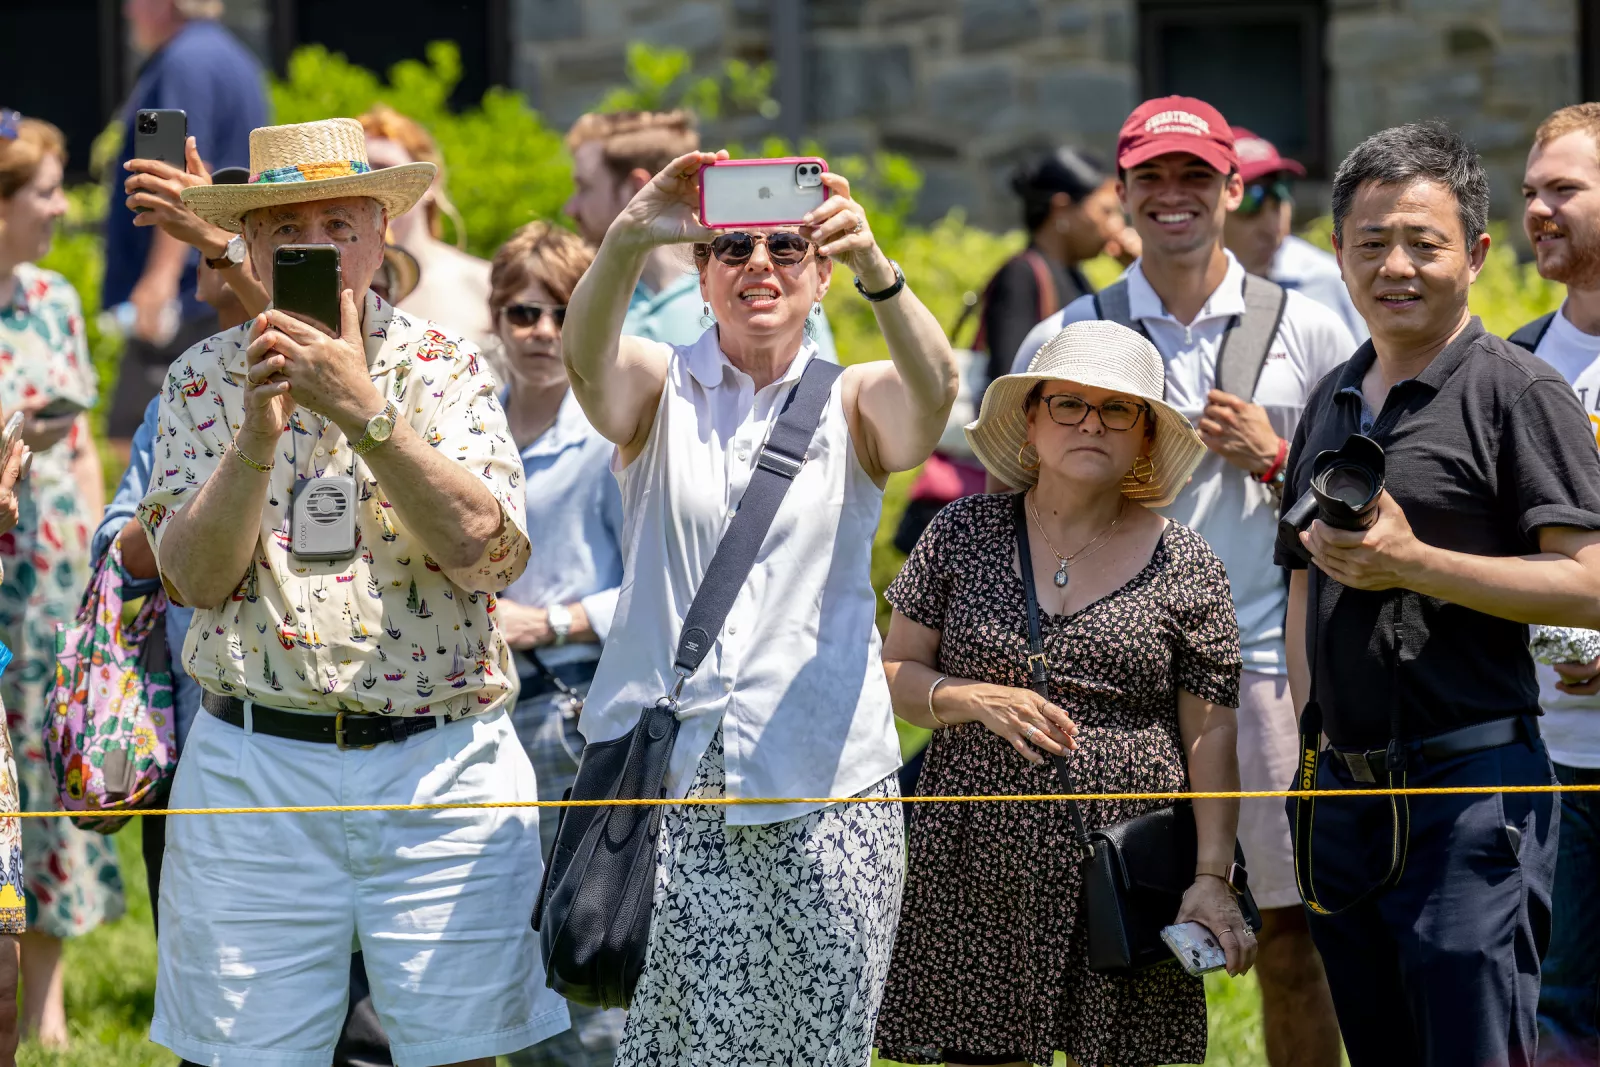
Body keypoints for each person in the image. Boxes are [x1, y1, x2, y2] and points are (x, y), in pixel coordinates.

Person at [138, 117, 568, 1065]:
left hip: (439, 765)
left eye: (343, 222)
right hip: (255, 765)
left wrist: (367, 414)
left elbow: (487, 556)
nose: (321, 247)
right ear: (249, 244)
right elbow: (195, 580)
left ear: (382, 235)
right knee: (240, 1055)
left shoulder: (445, 369)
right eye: (293, 227)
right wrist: (257, 434)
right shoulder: (206, 381)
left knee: (455, 1051)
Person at [562, 147, 956, 1064]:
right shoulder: (660, 386)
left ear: (820, 274)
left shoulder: (854, 398)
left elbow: (932, 398)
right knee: (678, 1050)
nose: (759, 266)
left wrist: (879, 270)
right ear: (701, 273)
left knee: (822, 1048)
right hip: (676, 785)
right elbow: (586, 365)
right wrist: (627, 236)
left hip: (828, 782)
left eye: (788, 244)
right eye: (732, 247)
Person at [1009, 95, 1350, 1067]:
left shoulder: (1313, 328)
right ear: (1119, 192)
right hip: (1109, 678)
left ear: (1231, 186)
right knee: (1101, 932)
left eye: (1194, 175)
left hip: (1265, 674)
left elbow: (1352, 505)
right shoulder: (1073, 331)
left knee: (1289, 936)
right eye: (1150, 178)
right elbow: (1024, 506)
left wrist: (1276, 457)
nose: (1173, 196)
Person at [1278, 120, 1600, 1067]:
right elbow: (1302, 585)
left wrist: (1417, 564)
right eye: (1372, 243)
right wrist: (1313, 749)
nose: (1397, 266)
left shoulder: (1520, 392)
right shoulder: (1333, 399)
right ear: (1337, 252)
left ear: (1478, 254)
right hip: (1342, 799)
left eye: (1425, 242)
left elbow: (1589, 585)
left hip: (1472, 798)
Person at [875, 320, 1254, 1066]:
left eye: (1118, 409)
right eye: (1069, 403)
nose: (1091, 421)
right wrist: (970, 696)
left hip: (1123, 870)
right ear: (1032, 418)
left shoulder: (1189, 564)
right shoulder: (961, 532)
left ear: (1144, 436)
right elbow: (893, 675)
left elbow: (1212, 736)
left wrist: (1213, 877)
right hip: (977, 863)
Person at [482, 221, 627, 1067]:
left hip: (571, 703)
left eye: (562, 313)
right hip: (475, 707)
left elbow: (660, 584)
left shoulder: (609, 431)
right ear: (496, 317)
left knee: (582, 945)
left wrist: (555, 619)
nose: (541, 333)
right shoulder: (471, 425)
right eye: (523, 311)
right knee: (501, 952)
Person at [0, 110, 122, 1050]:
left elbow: (80, 443)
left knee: (46, 768)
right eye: (44, 191)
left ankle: (44, 999)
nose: (58, 207)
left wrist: (94, 564)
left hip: (49, 575)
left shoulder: (52, 297)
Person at [1514, 102, 1600, 1067]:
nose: (1539, 209)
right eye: (1531, 191)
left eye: (1564, 189)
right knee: (1555, 1010)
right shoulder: (1515, 363)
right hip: (1546, 755)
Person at [104, 0, 267, 458]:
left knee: (137, 442)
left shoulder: (185, 59)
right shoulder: (234, 55)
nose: (127, 11)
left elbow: (185, 173)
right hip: (226, 273)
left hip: (190, 289)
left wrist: (157, 281)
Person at [563, 109, 838, 355]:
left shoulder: (752, 290)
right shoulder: (590, 296)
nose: (570, 208)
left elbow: (817, 399)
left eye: (584, 187)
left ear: (636, 188)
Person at [981, 148, 1130, 386]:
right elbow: (1007, 382)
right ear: (1061, 208)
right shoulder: (1021, 275)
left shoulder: (1075, 277)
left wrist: (1138, 269)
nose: (1117, 226)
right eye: (1106, 211)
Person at [360, 106, 497, 355]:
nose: (372, 187)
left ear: (430, 183)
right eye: (361, 172)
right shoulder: (342, 283)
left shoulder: (483, 283)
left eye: (384, 169)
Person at [1224, 128, 1367, 341]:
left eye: (1280, 196)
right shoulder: (1181, 289)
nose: (1272, 228)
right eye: (1249, 203)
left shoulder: (1329, 280)